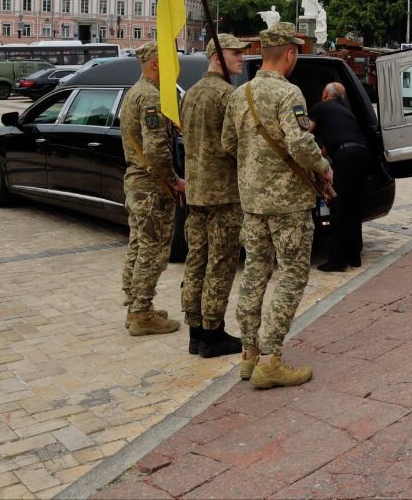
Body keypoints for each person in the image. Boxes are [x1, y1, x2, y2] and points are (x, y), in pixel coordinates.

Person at [222, 22, 333, 390]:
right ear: (290, 54)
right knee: (291, 275)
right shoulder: (290, 94)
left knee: (254, 274)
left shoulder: (240, 95)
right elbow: (301, 144)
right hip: (287, 204)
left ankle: (249, 355)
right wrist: (323, 167)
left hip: (252, 201)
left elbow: (228, 144)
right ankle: (271, 361)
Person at [179, 32, 249, 358]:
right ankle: (213, 335)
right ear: (217, 57)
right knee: (220, 263)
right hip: (222, 194)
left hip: (195, 192)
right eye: (235, 53)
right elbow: (236, 146)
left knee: (197, 261)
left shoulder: (190, 94)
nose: (242, 58)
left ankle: (195, 331)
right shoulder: (227, 96)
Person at [120, 42, 186, 336]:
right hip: (151, 186)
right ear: (156, 64)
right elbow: (157, 149)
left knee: (138, 245)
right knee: (153, 249)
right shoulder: (150, 96)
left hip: (137, 182)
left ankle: (135, 304)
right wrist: (174, 180)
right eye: (169, 62)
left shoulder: (134, 91)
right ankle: (141, 313)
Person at [309, 81, 370, 272]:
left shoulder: (321, 107)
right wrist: (320, 155)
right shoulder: (345, 111)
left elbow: (305, 131)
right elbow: (334, 141)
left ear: (325, 94)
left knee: (339, 206)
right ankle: (354, 256)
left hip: (346, 157)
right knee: (354, 207)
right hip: (361, 154)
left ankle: (337, 260)